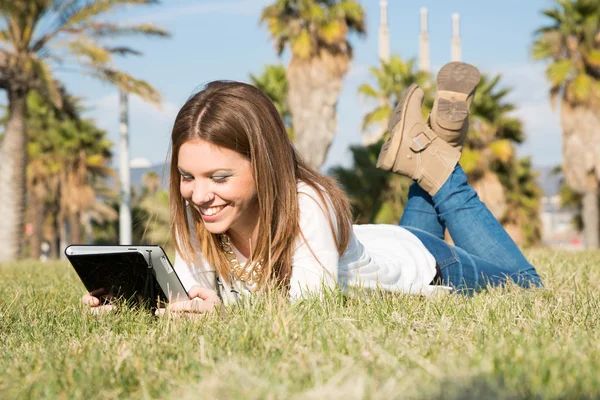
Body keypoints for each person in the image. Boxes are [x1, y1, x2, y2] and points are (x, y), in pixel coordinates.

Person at [83, 62, 542, 315]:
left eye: (219, 178)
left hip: (424, 264)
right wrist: (130, 307)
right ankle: (433, 145)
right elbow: (186, 300)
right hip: (375, 249)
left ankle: (441, 169)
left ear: (264, 165)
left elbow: (307, 311)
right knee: (397, 236)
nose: (199, 195)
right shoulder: (199, 220)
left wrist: (218, 317)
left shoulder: (306, 205)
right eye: (188, 177)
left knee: (528, 286)